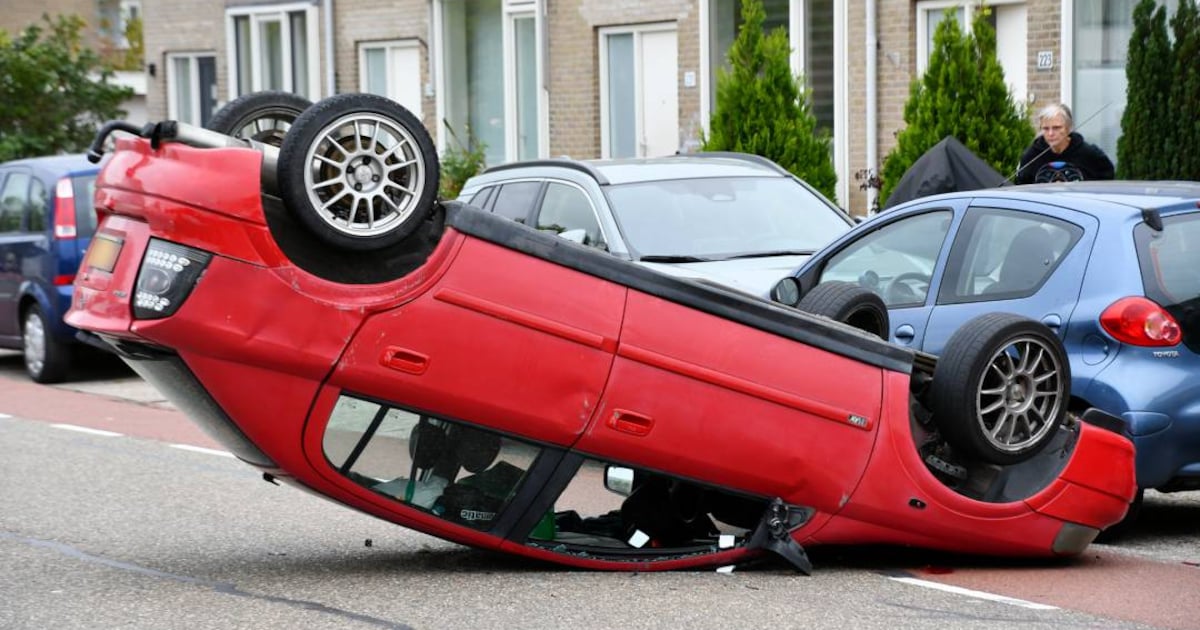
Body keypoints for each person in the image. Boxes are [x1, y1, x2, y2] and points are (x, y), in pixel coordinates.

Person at [1014, 104, 1115, 184]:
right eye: (1045, 128)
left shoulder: (1089, 153)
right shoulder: (1031, 156)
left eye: (1056, 128)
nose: (1050, 133)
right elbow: (1021, 186)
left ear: (1068, 128)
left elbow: (1108, 181)